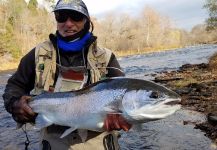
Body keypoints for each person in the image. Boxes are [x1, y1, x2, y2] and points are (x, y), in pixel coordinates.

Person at [2, 0, 131, 149]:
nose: (68, 24)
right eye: (61, 16)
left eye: (75, 17)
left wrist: (124, 117)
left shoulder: (106, 57)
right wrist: (15, 104)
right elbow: (15, 85)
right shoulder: (38, 54)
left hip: (98, 142)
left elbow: (124, 92)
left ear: (86, 21)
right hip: (54, 142)